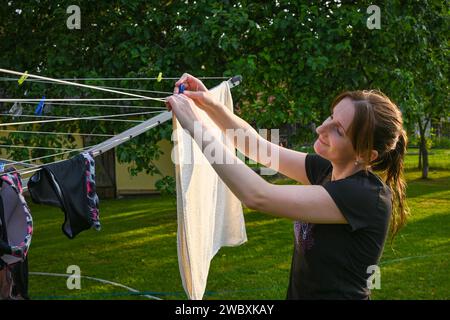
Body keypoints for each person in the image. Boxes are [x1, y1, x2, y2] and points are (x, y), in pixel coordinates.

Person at [166, 74, 409, 300]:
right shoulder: (327, 169)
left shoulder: (365, 196)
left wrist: (195, 127)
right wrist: (210, 104)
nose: (321, 129)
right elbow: (257, 148)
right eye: (331, 117)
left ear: (366, 154)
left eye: (339, 130)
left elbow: (258, 196)